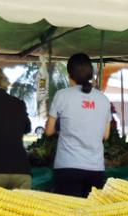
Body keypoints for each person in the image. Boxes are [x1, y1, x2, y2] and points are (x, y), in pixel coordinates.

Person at [44, 53, 111, 197]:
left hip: (68, 166)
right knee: (91, 215)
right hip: (95, 168)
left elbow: (49, 131)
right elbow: (106, 135)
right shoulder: (103, 99)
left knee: (70, 215)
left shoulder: (62, 95)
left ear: (70, 74)